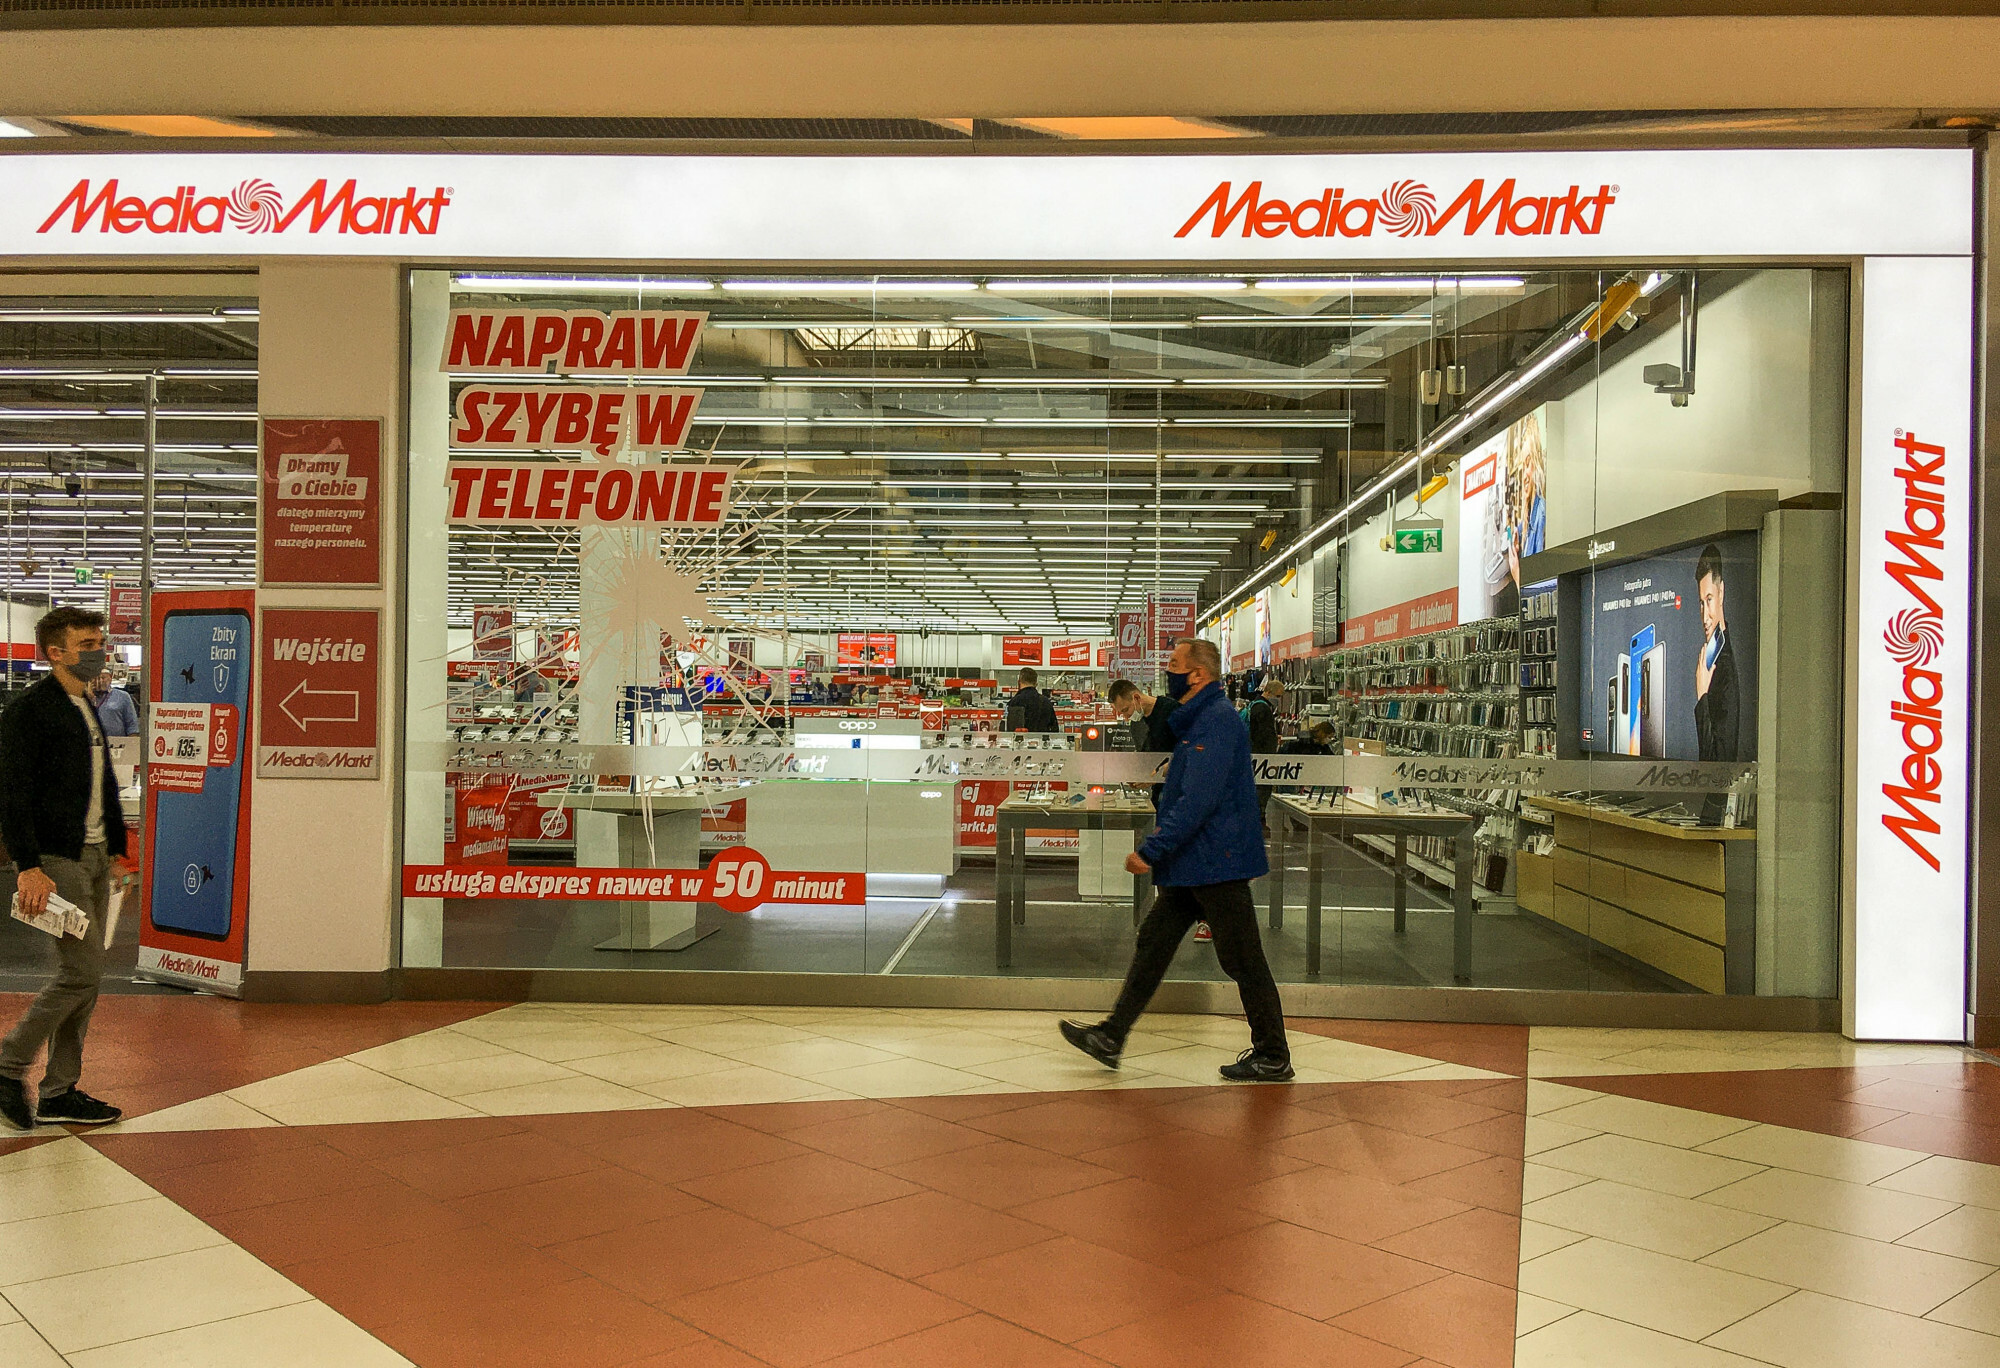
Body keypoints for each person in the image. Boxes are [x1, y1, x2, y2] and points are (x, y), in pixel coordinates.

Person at [1060, 637, 1292, 1082]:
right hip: (1195, 864)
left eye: (1174, 664)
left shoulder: (1217, 722)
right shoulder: (1199, 720)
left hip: (1216, 862)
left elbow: (1197, 800)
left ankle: (1273, 1054)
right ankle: (1112, 1035)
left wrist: (1152, 849)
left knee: (1242, 958)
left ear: (1199, 674)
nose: (1168, 671)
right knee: (1153, 944)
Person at [0, 607, 133, 1128]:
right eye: (86, 642)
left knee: (88, 979)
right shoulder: (31, 710)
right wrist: (28, 866)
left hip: (96, 856)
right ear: (55, 652)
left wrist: (119, 848)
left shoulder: (87, 706)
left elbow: (98, 785)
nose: (98, 650)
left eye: (100, 640)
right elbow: (10, 793)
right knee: (82, 971)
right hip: (59, 859)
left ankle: (60, 1091)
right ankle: (9, 1064)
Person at [1693, 543, 1740, 824]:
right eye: (1701, 602)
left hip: (1718, 820)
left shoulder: (1725, 669)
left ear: (1721, 594)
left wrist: (1702, 697)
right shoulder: (1713, 658)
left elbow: (1715, 767)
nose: (1705, 615)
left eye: (1709, 600)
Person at [1004, 667, 1059, 734]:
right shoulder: (1046, 702)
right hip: (1041, 743)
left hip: (1020, 742)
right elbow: (1055, 730)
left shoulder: (1014, 702)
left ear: (1019, 682)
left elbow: (1008, 730)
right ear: (1036, 684)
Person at [89, 670, 139, 737]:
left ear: (110, 678)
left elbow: (132, 725)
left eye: (103, 678)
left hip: (117, 742)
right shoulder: (87, 697)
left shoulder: (122, 696)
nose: (100, 681)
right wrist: (90, 698)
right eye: (96, 679)